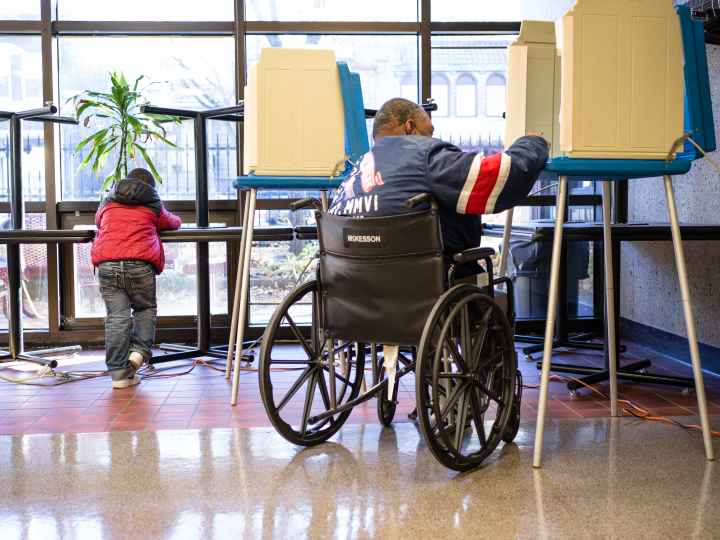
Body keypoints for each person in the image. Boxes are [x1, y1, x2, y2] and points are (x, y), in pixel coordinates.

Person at [329, 97, 549, 274]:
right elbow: (497, 177)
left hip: (356, 296)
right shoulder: (422, 154)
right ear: (410, 127)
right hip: (424, 288)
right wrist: (531, 143)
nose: (432, 138)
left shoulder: (354, 175)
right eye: (429, 132)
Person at [91, 168, 182, 388]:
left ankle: (119, 375)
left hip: (107, 262)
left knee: (116, 317)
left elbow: (98, 222)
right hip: (140, 264)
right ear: (151, 187)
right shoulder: (153, 203)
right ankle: (139, 353)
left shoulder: (108, 201)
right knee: (144, 309)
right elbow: (173, 223)